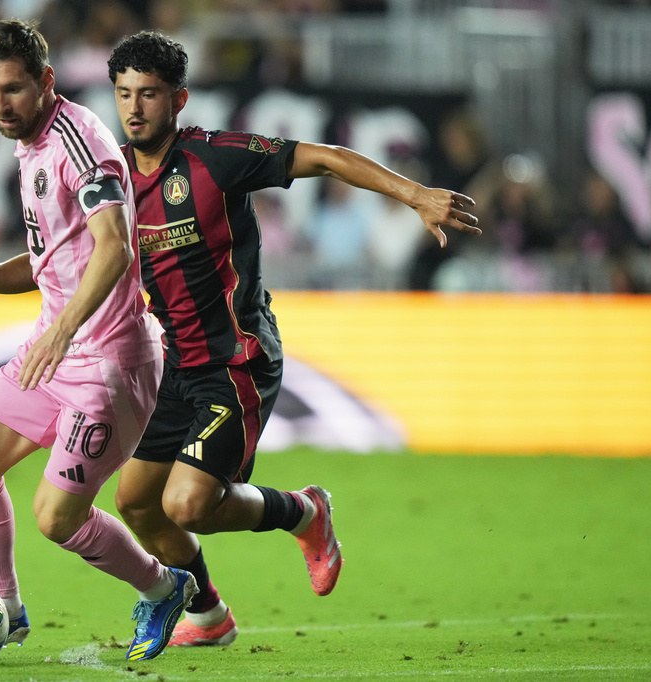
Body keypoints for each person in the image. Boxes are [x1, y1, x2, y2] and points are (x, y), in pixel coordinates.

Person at [107, 31, 482, 647]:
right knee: (138, 504)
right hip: (174, 366)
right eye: (124, 94)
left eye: (149, 94)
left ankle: (305, 511)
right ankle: (207, 616)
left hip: (237, 361)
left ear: (179, 100)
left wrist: (416, 195)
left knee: (188, 505)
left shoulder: (217, 157)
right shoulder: (114, 176)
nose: (135, 108)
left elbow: (327, 157)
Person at [0, 19, 196, 662]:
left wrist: (66, 330)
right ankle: (4, 610)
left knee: (57, 518)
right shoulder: (33, 148)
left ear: (46, 81)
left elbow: (114, 248)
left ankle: (163, 589)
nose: (0, 104)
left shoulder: (81, 144)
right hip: (57, 345)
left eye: (13, 88)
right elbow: (52, 258)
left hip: (110, 364)